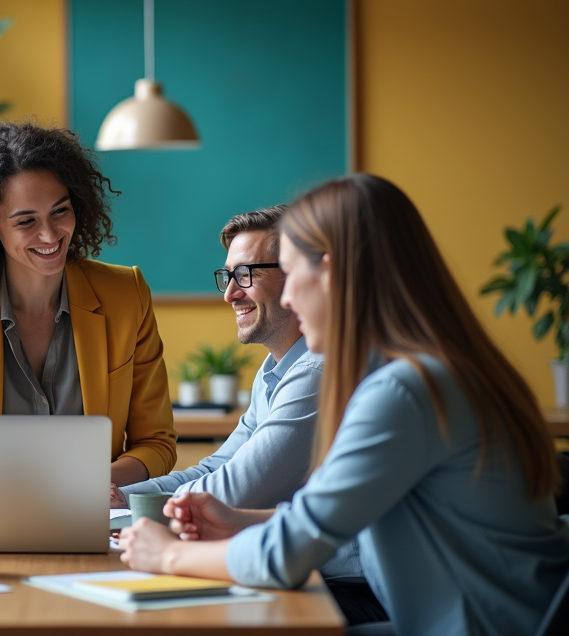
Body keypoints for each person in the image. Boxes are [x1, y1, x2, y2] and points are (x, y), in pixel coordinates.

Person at [119, 174, 569, 636]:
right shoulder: (425, 371)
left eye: (295, 275)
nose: (290, 298)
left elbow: (289, 553)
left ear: (332, 272)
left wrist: (168, 554)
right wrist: (239, 520)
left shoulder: (403, 391)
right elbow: (338, 514)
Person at [113, 206, 385, 625]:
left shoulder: (319, 370)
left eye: (246, 275)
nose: (229, 294)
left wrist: (144, 523)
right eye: (227, 276)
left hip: (354, 591)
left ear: (298, 275)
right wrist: (123, 497)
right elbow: (220, 466)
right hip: (319, 575)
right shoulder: (277, 370)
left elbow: (238, 489)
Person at [0, 122, 176, 485]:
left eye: (60, 211)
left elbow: (157, 443)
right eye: (26, 221)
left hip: (93, 518)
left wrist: (95, 483)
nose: (49, 234)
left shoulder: (126, 294)